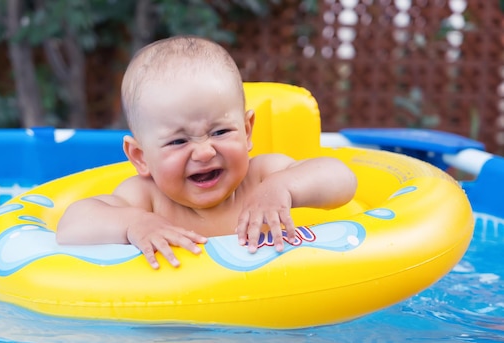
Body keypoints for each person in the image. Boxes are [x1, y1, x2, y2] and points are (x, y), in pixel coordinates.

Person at [56, 35, 357, 269]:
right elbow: (71, 227)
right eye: (178, 142)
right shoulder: (145, 199)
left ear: (248, 130)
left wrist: (283, 188)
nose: (203, 152)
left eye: (220, 132)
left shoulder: (264, 176)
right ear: (141, 157)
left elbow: (342, 179)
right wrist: (135, 224)